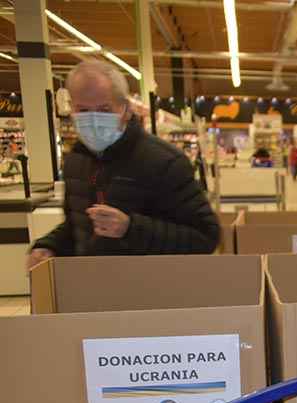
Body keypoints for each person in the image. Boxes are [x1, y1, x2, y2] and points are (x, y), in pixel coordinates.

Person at [27, 60, 218, 268]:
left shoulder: (165, 161)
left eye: (104, 109)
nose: (93, 119)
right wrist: (48, 246)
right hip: (92, 290)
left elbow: (205, 237)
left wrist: (130, 228)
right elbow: (79, 225)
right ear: (71, 109)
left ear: (125, 110)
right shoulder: (76, 160)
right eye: (82, 110)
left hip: (152, 292)